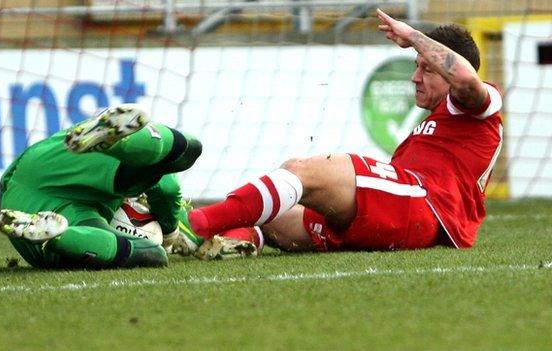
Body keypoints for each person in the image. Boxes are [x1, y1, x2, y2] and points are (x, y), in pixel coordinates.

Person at [187, 9, 503, 253]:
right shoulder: (437, 125)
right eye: (415, 66)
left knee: (299, 171)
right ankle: (233, 245)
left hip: (424, 207)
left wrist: (414, 35)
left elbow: (464, 79)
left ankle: (194, 226)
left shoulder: (477, 104)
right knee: (273, 216)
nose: (415, 77)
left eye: (427, 68)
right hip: (404, 214)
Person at [0, 103, 202, 268]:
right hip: (44, 231)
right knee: (153, 254)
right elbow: (169, 190)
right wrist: (169, 234)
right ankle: (59, 236)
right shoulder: (137, 197)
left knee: (188, 150)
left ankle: (124, 142)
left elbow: (167, 189)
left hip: (47, 161)